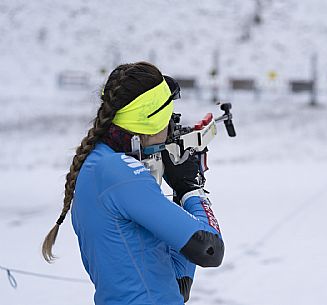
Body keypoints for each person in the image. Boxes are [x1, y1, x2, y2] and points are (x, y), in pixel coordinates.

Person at [41, 62, 224, 305]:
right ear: (149, 127)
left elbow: (177, 286)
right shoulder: (119, 174)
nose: (171, 131)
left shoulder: (99, 162)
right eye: (168, 121)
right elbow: (210, 250)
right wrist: (191, 190)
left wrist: (182, 196)